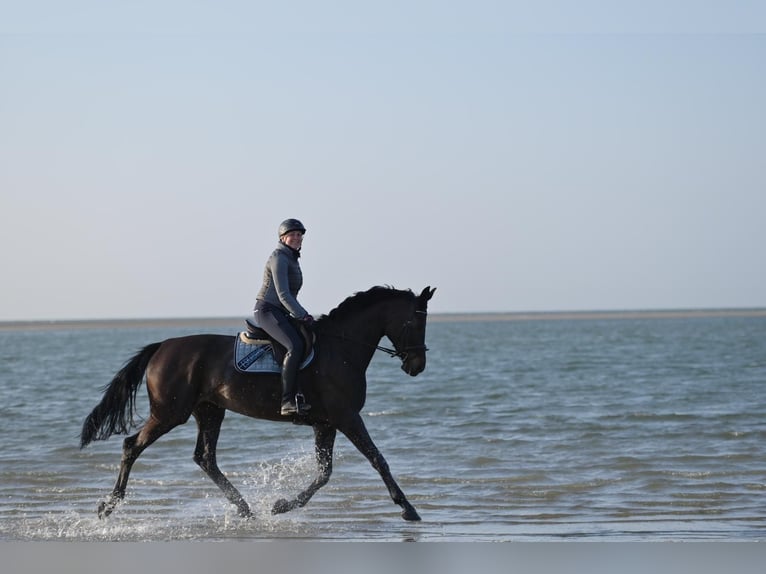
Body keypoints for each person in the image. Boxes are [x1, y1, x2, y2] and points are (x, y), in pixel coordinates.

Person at [253, 218, 315, 415]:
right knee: (294, 345)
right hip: (267, 310)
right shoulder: (279, 257)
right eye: (292, 235)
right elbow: (283, 295)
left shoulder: (291, 258)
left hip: (280, 311)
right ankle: (287, 401)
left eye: (299, 235)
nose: (297, 238)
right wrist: (303, 315)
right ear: (282, 237)